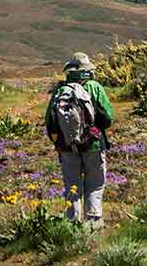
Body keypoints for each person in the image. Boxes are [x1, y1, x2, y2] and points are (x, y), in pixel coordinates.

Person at [44, 52, 115, 229]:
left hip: (67, 146)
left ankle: (72, 222)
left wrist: (59, 142)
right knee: (95, 183)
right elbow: (108, 118)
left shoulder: (61, 90)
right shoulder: (95, 87)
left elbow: (50, 121)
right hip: (94, 144)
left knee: (72, 185)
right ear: (87, 70)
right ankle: (93, 221)